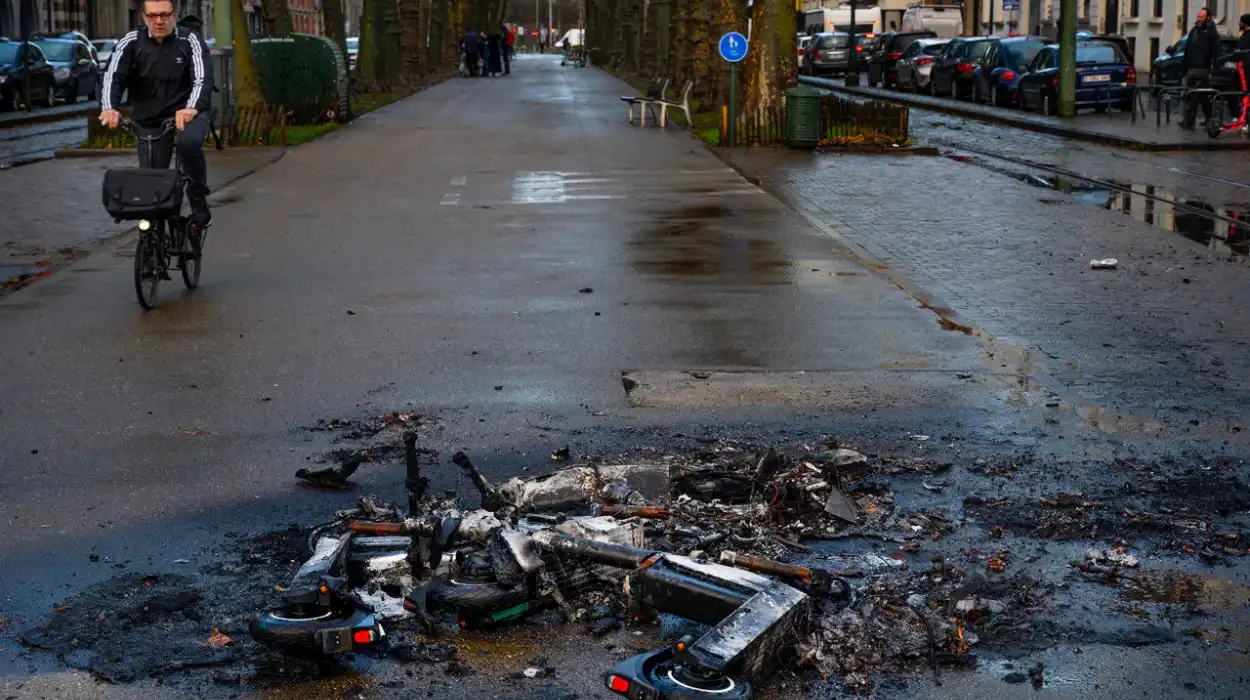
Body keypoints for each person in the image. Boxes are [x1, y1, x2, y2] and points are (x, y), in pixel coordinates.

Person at [99, 0, 214, 230]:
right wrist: (109, 107)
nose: (159, 21)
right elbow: (113, 76)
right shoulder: (131, 41)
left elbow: (202, 79)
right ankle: (154, 232)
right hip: (151, 117)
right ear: (143, 17)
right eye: (152, 16)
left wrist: (191, 108)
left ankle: (198, 201)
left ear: (175, 15)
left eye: (164, 14)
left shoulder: (189, 39)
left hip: (190, 112)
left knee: (188, 143)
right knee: (151, 176)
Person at [1181, 7, 1222, 129]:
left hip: (1202, 69)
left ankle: (1189, 121)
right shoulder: (1194, 30)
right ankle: (1210, 118)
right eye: (1198, 16)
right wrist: (1184, 66)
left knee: (1193, 95)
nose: (1198, 19)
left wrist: (1213, 68)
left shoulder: (1211, 32)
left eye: (1201, 17)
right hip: (1191, 68)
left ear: (1208, 18)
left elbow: (1216, 51)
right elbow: (1187, 48)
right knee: (1204, 97)